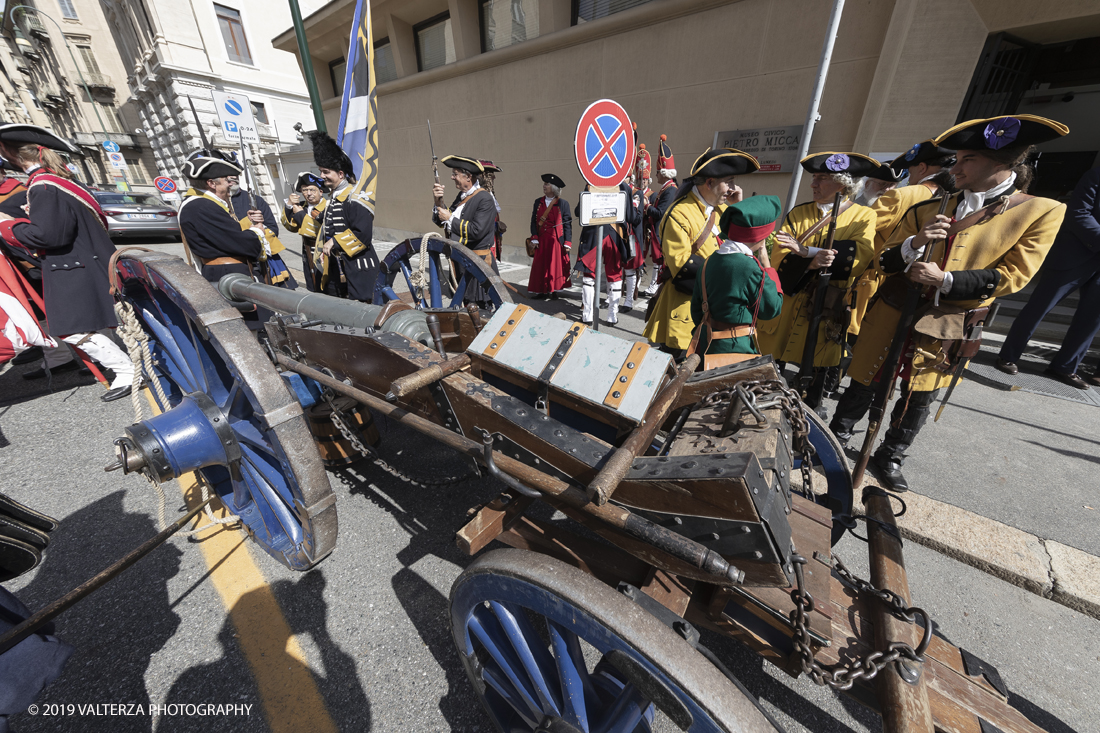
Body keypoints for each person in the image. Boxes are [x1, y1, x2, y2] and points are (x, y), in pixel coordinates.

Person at [830, 114, 1069, 492]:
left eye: (967, 159)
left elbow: (1015, 275)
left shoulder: (1041, 211)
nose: (955, 166)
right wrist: (914, 244)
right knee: (866, 376)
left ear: (1003, 164)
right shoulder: (928, 204)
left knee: (922, 389)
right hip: (894, 307)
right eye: (957, 158)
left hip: (950, 318)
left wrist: (947, 280)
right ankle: (837, 437)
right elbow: (883, 259)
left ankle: (890, 453)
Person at [0, 124, 136, 402]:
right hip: (84, 261)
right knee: (87, 325)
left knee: (71, 329)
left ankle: (127, 370)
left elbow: (49, 235)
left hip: (72, 265)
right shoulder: (57, 180)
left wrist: (8, 227)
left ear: (12, 154)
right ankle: (124, 366)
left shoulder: (43, 187)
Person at [757, 152, 877, 410]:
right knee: (770, 363)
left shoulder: (863, 217)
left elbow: (856, 259)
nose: (813, 184)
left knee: (817, 369)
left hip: (826, 304)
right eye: (815, 178)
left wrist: (805, 251)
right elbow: (780, 255)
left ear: (843, 184)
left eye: (822, 178)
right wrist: (811, 259)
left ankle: (808, 413)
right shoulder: (798, 213)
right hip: (790, 297)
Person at [642, 148, 760, 357]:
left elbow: (745, 245)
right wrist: (729, 278)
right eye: (729, 182)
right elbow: (683, 267)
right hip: (685, 313)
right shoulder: (679, 213)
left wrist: (739, 207)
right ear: (710, 183)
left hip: (717, 316)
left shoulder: (724, 210)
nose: (734, 188)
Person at [997, 166, 1100, 388]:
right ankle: (1008, 356)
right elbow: (1078, 212)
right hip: (1076, 254)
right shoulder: (1096, 174)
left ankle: (1064, 367)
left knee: (1091, 321)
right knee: (1039, 307)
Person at [849, 141, 956, 339]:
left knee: (855, 340)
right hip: (926, 286)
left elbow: (855, 230)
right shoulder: (957, 200)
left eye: (911, 170)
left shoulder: (902, 195)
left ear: (922, 167)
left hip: (877, 281)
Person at [689, 195, 784, 361]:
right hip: (735, 349)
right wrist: (768, 268)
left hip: (705, 345)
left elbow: (697, 311)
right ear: (761, 237)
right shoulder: (750, 266)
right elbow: (771, 309)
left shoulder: (709, 261)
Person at [310, 131, 379, 303]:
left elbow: (363, 234)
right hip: (336, 266)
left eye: (326, 172)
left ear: (341, 174)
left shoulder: (355, 198)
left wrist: (335, 241)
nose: (322, 176)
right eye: (321, 171)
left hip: (358, 267)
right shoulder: (333, 198)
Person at [432, 155, 499, 308]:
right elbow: (442, 222)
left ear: (468, 177)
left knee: (480, 309)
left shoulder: (485, 199)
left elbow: (476, 231)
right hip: (462, 261)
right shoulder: (462, 196)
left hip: (477, 263)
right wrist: (438, 202)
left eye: (455, 174)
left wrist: (450, 218)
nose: (452, 177)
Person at [575, 180, 641, 325]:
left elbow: (579, 212)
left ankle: (588, 315)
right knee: (615, 276)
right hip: (614, 235)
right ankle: (612, 316)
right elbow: (631, 218)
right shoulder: (624, 186)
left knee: (589, 276)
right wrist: (635, 207)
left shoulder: (591, 182)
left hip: (593, 234)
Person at [226, 173, 295, 288]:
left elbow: (273, 229)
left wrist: (256, 230)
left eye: (235, 174)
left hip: (264, 259)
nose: (232, 177)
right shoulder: (216, 204)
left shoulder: (256, 200)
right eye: (228, 175)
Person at [527, 173, 572, 299]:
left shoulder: (563, 204)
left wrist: (568, 241)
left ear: (553, 187)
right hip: (541, 240)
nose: (544, 186)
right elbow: (533, 221)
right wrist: (534, 237)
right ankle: (541, 291)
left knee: (554, 266)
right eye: (544, 184)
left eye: (546, 184)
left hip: (556, 241)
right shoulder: (538, 202)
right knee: (540, 266)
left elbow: (567, 225)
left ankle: (553, 291)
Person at [642, 135, 678, 297]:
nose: (655, 175)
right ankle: (654, 286)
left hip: (661, 232)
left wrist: (646, 206)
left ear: (663, 173)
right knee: (657, 262)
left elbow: (661, 213)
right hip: (657, 231)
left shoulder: (670, 190)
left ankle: (656, 287)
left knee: (660, 262)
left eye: (657, 172)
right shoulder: (666, 188)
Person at [281, 172, 327, 292]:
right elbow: (290, 226)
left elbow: (316, 230)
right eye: (305, 190)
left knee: (326, 285)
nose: (309, 193)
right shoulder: (301, 206)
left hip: (323, 253)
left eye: (312, 189)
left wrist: (300, 214)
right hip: (307, 252)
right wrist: (289, 206)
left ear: (320, 191)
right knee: (312, 285)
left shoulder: (327, 207)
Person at [621, 145, 652, 311]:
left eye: (625, 178)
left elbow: (635, 218)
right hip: (619, 235)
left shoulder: (637, 193)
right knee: (615, 270)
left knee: (630, 271)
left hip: (632, 236)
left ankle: (628, 302)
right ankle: (612, 300)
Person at [480, 160, 507, 261]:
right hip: (485, 237)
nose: (494, 177)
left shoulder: (490, 192)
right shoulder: (480, 193)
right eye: (491, 175)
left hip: (492, 234)